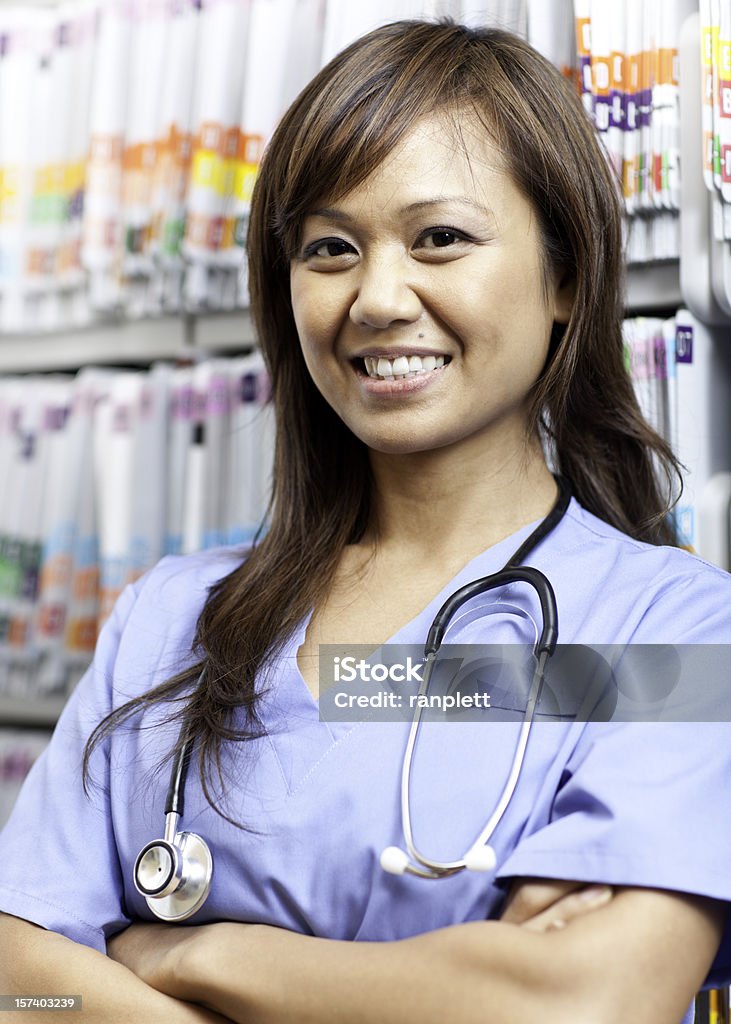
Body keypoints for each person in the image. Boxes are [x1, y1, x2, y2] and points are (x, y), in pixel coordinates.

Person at [1, 17, 731, 1024]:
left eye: (439, 238)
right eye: (330, 248)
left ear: (565, 275)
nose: (378, 297)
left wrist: (198, 952)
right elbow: (22, 978)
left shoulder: (670, 632)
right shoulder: (169, 620)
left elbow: (574, 1006)